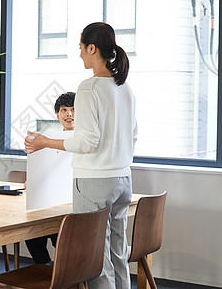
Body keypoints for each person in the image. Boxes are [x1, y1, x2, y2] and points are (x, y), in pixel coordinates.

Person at [24, 22, 137, 289]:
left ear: (92, 48)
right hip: (123, 179)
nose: (80, 55)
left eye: (81, 49)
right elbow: (132, 136)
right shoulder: (125, 88)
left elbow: (87, 142)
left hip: (95, 181)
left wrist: (45, 141)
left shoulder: (89, 88)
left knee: (96, 258)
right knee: (118, 253)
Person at [25, 91, 75, 265]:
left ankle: (62, 270)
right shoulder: (47, 138)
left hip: (73, 204)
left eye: (74, 109)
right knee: (30, 232)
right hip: (49, 202)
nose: (69, 114)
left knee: (59, 233)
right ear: (57, 115)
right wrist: (33, 180)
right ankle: (45, 268)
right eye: (64, 110)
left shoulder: (86, 138)